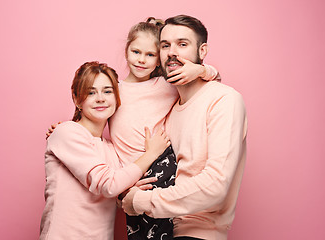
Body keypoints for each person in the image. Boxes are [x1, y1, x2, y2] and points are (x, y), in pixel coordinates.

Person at [45, 18, 220, 239]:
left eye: (150, 55)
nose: (142, 60)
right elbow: (91, 112)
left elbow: (214, 78)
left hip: (158, 164)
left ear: (159, 60)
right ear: (126, 51)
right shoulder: (113, 91)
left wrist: (198, 70)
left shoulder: (166, 85)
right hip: (125, 174)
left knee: (166, 227)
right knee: (137, 229)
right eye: (136, 52)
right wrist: (65, 128)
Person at [122, 15, 248, 240]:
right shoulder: (168, 111)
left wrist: (140, 201)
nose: (172, 52)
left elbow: (216, 185)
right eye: (165, 45)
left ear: (202, 51)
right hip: (161, 229)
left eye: (182, 44)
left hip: (200, 232)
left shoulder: (225, 100)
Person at [39, 61, 170, 240]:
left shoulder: (111, 149)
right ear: (77, 100)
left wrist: (125, 193)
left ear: (117, 98)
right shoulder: (67, 132)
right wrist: (151, 154)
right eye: (91, 92)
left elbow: (113, 190)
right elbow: (109, 185)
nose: (100, 98)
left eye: (107, 91)